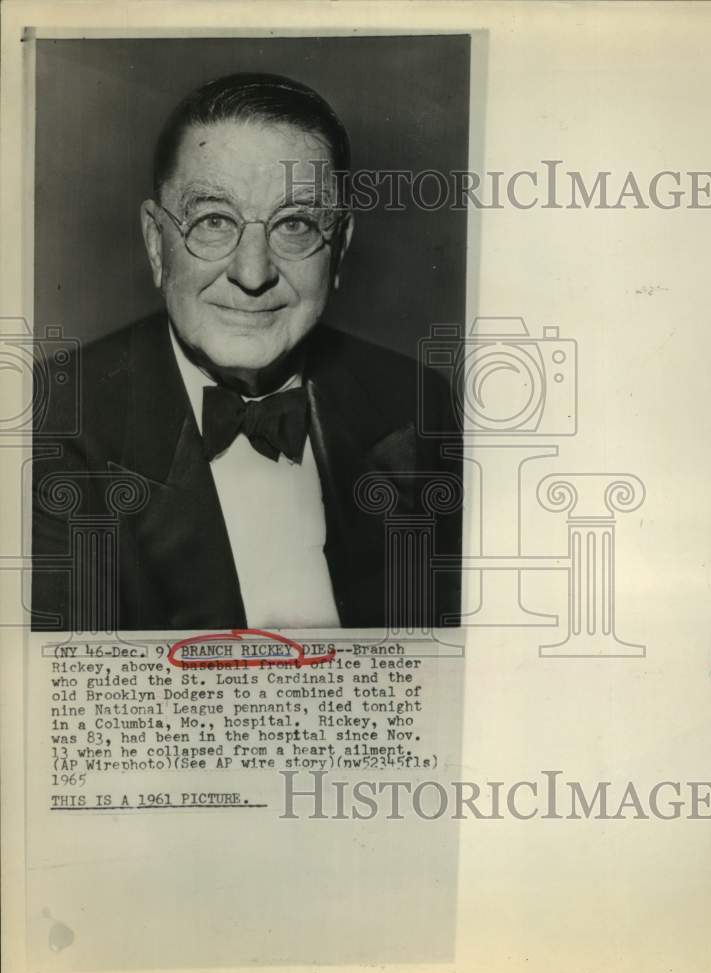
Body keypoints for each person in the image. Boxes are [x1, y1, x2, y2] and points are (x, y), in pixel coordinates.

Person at [31, 72, 461, 632]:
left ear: (340, 250)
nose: (252, 273)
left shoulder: (415, 405)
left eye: (296, 224)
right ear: (156, 243)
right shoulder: (50, 424)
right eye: (213, 221)